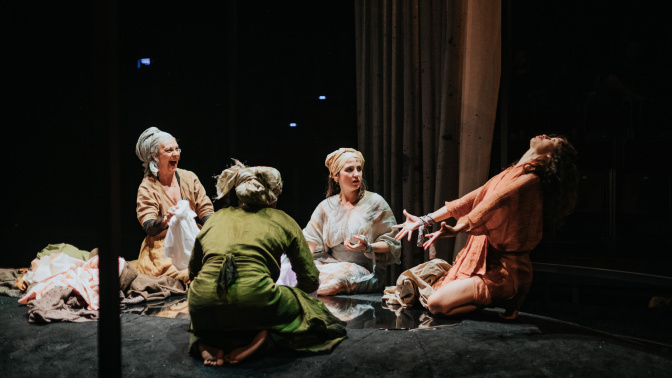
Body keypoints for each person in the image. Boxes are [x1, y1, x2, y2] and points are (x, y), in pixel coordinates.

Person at [392, 134, 578, 319]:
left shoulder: (531, 180)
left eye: (553, 141)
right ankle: (499, 299)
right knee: (429, 292)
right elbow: (467, 201)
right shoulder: (511, 172)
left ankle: (502, 296)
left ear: (550, 158)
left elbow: (492, 203)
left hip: (504, 270)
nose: (546, 136)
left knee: (435, 304)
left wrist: (459, 228)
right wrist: (424, 220)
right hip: (489, 263)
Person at [188, 160, 347, 366]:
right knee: (309, 310)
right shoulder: (282, 219)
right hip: (257, 300)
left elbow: (193, 272)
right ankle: (267, 338)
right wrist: (296, 303)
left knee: (210, 305)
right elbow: (309, 279)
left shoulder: (216, 219)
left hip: (202, 303)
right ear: (273, 194)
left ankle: (206, 341)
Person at [303, 148, 401, 295]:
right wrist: (302, 265)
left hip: (367, 270)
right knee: (301, 276)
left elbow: (392, 242)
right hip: (333, 264)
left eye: (359, 169)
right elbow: (310, 240)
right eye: (349, 170)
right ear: (336, 176)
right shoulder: (326, 206)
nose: (356, 174)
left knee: (334, 282)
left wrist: (368, 246)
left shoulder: (374, 202)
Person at [135, 127, 214, 282]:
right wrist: (165, 220)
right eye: (169, 150)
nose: (176, 154)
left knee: (214, 263)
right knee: (185, 273)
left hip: (192, 238)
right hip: (163, 245)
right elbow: (148, 224)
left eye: (177, 149)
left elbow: (205, 209)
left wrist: (214, 228)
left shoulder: (189, 177)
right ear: (155, 155)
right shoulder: (148, 186)